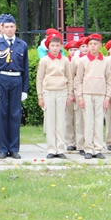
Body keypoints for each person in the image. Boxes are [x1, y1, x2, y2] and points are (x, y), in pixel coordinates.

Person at [0, 14, 29, 159]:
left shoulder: (22, 45)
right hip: (1, 80)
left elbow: (25, 68)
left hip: (16, 81)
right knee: (1, 115)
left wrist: (25, 89)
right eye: (7, 27)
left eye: (12, 26)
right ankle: (3, 148)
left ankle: (14, 148)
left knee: (15, 115)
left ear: (15, 27)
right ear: (2, 28)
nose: (10, 29)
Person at [74, 33, 111, 159]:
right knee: (88, 121)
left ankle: (98, 148)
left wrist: (107, 97)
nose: (92, 46)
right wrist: (79, 97)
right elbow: (78, 80)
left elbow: (109, 79)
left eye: (95, 44)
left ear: (100, 45)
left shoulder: (105, 61)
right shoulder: (83, 61)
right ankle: (88, 149)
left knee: (98, 122)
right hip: (87, 94)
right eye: (90, 44)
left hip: (100, 94)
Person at [36, 31, 73, 159]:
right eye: (53, 45)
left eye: (57, 45)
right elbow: (39, 79)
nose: (55, 48)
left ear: (61, 46)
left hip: (62, 91)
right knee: (50, 120)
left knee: (60, 120)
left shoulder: (65, 61)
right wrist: (40, 96)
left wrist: (69, 95)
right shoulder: (44, 61)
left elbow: (69, 78)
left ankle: (60, 149)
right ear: (48, 47)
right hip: (48, 91)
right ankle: (51, 149)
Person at [70, 37, 89, 155]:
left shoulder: (96, 58)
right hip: (79, 92)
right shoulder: (75, 59)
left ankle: (90, 143)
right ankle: (80, 144)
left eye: (87, 46)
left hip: (91, 91)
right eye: (83, 46)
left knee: (91, 120)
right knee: (79, 120)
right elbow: (72, 77)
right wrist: (72, 93)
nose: (85, 48)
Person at [63, 39, 79, 151]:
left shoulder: (80, 61)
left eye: (75, 49)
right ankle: (70, 141)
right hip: (68, 92)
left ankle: (79, 141)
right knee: (68, 119)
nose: (73, 52)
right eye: (71, 50)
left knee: (79, 119)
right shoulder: (65, 61)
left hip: (79, 93)